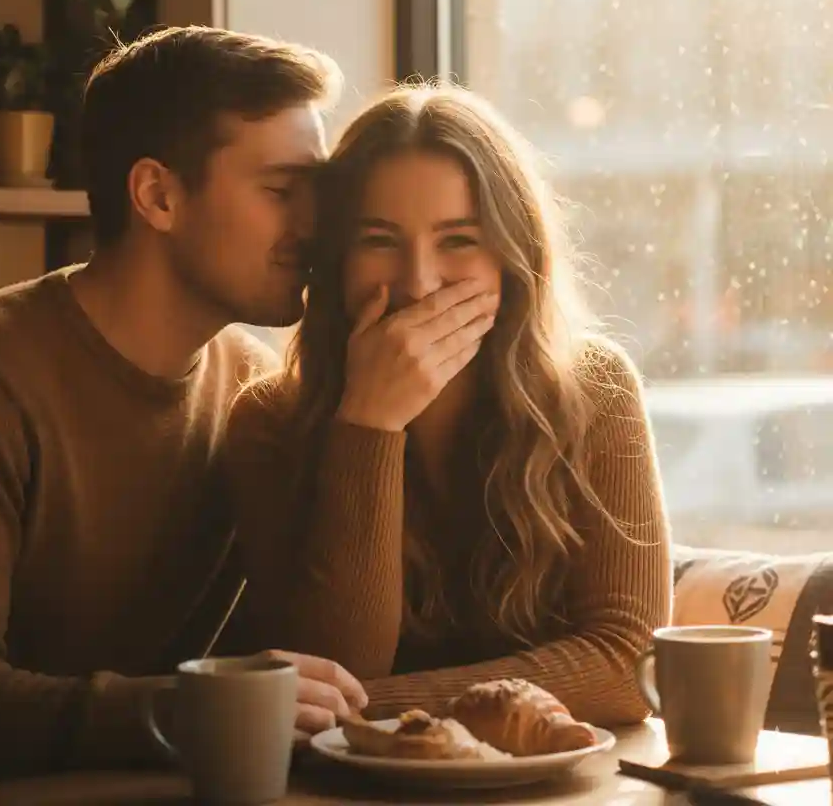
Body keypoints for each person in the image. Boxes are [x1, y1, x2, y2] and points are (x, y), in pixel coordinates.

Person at [0, 26, 368, 786]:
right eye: (280, 191)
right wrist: (183, 709)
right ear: (158, 195)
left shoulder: (251, 380)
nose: (314, 225)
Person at [220, 82, 673, 726]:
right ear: (335, 259)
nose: (419, 282)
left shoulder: (595, 390)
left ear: (513, 255)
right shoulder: (270, 421)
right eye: (379, 240)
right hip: (358, 777)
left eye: (458, 240)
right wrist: (370, 423)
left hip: (559, 772)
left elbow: (629, 665)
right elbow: (340, 662)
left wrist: (379, 708)